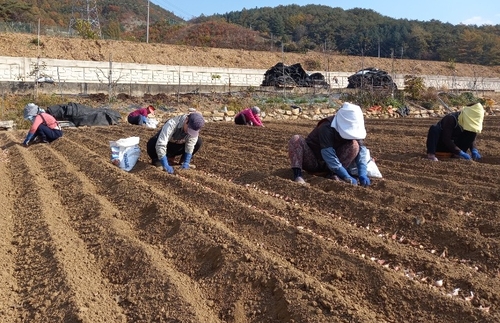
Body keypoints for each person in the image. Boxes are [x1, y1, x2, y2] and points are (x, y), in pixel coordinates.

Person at [288, 102, 371, 186]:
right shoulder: (326, 126)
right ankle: (297, 175)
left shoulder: (356, 129)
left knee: (354, 145)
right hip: (313, 160)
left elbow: (362, 150)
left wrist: (362, 173)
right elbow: (328, 154)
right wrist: (345, 175)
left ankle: (333, 174)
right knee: (296, 139)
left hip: (332, 165)